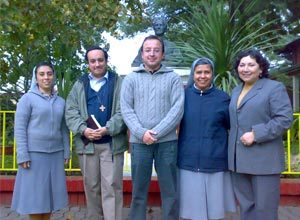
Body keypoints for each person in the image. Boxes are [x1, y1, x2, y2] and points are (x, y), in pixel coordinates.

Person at [121, 35, 184, 220]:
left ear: (163, 54)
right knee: (139, 190)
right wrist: (142, 133)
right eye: (148, 50)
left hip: (167, 143)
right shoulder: (131, 79)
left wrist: (155, 133)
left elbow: (177, 110)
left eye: (156, 50)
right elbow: (126, 109)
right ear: (142, 54)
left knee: (170, 190)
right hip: (140, 143)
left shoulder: (173, 78)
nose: (152, 54)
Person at [228, 49, 293, 220]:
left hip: (264, 162)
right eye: (242, 65)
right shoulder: (236, 91)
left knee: (265, 211)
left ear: (261, 69)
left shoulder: (274, 88)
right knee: (247, 208)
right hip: (239, 162)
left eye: (251, 64)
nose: (246, 69)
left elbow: (285, 119)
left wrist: (256, 134)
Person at [65, 46, 127, 220]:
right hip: (87, 145)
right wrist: (83, 129)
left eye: (100, 60)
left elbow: (125, 110)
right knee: (91, 187)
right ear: (88, 64)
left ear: (106, 61)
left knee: (112, 187)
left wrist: (108, 128)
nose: (97, 64)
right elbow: (70, 111)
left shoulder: (118, 82)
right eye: (93, 61)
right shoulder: (79, 84)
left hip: (111, 145)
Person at [177, 57, 237, 220]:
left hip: (214, 161)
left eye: (207, 72)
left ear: (212, 74)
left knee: (214, 212)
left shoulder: (223, 98)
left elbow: (231, 126)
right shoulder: (182, 97)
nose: (202, 76)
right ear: (193, 74)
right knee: (191, 212)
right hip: (188, 160)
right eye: (199, 72)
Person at [11, 62, 70, 220]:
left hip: (55, 155)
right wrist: (22, 154)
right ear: (35, 78)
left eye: (49, 74)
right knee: (36, 200)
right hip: (34, 156)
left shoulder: (61, 102)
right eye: (42, 74)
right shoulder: (27, 99)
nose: (46, 77)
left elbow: (63, 128)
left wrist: (66, 150)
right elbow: (20, 128)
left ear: (54, 76)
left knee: (49, 199)